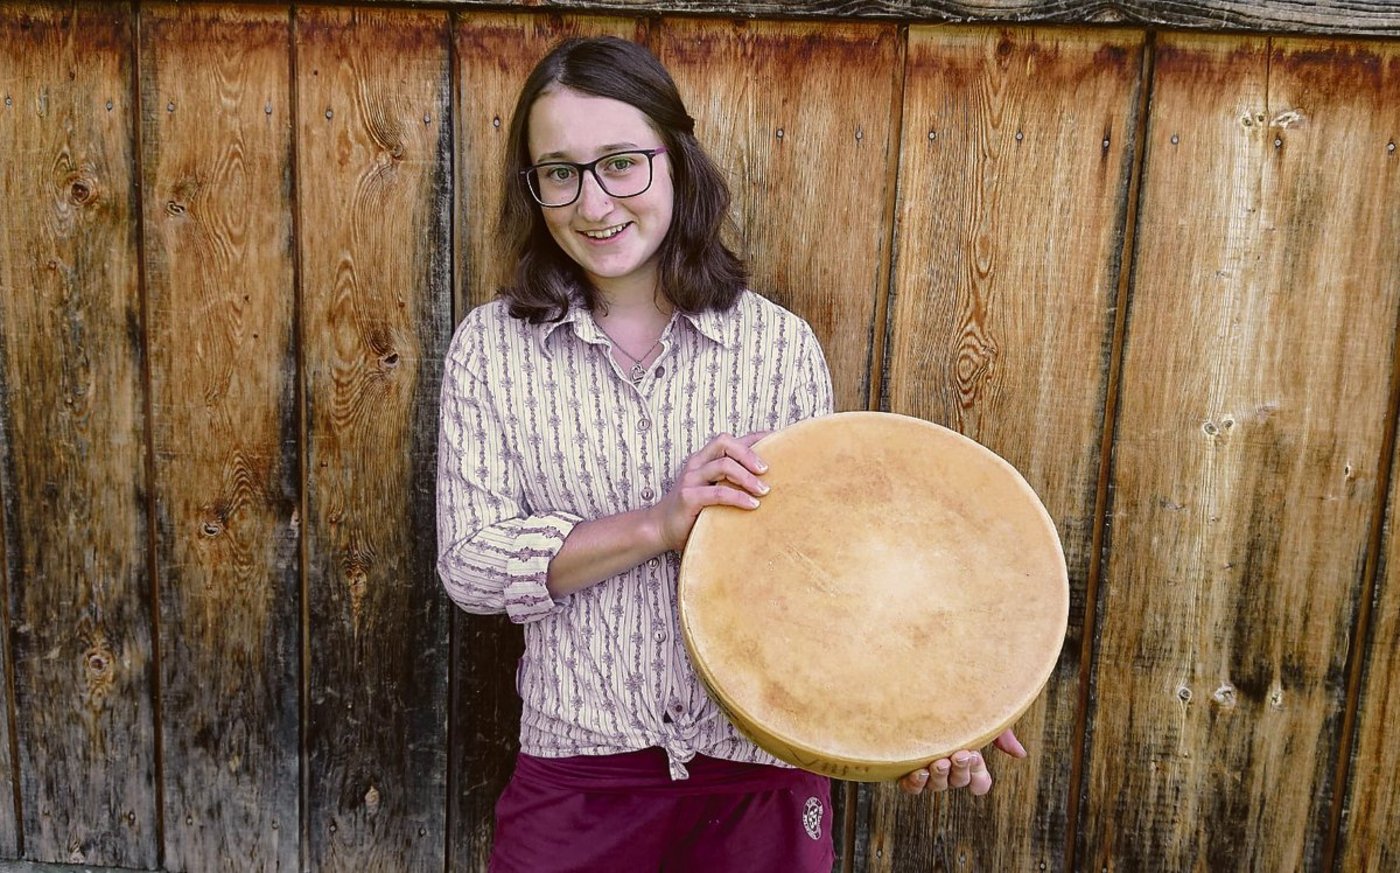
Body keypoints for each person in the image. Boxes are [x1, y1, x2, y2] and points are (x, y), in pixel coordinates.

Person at [436, 35, 1025, 873]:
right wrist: (659, 522)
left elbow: (832, 575)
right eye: (559, 171)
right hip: (575, 775)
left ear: (676, 160)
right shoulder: (493, 350)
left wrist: (939, 707)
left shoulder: (776, 347)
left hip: (762, 782)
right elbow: (471, 563)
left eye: (621, 163)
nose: (593, 201)